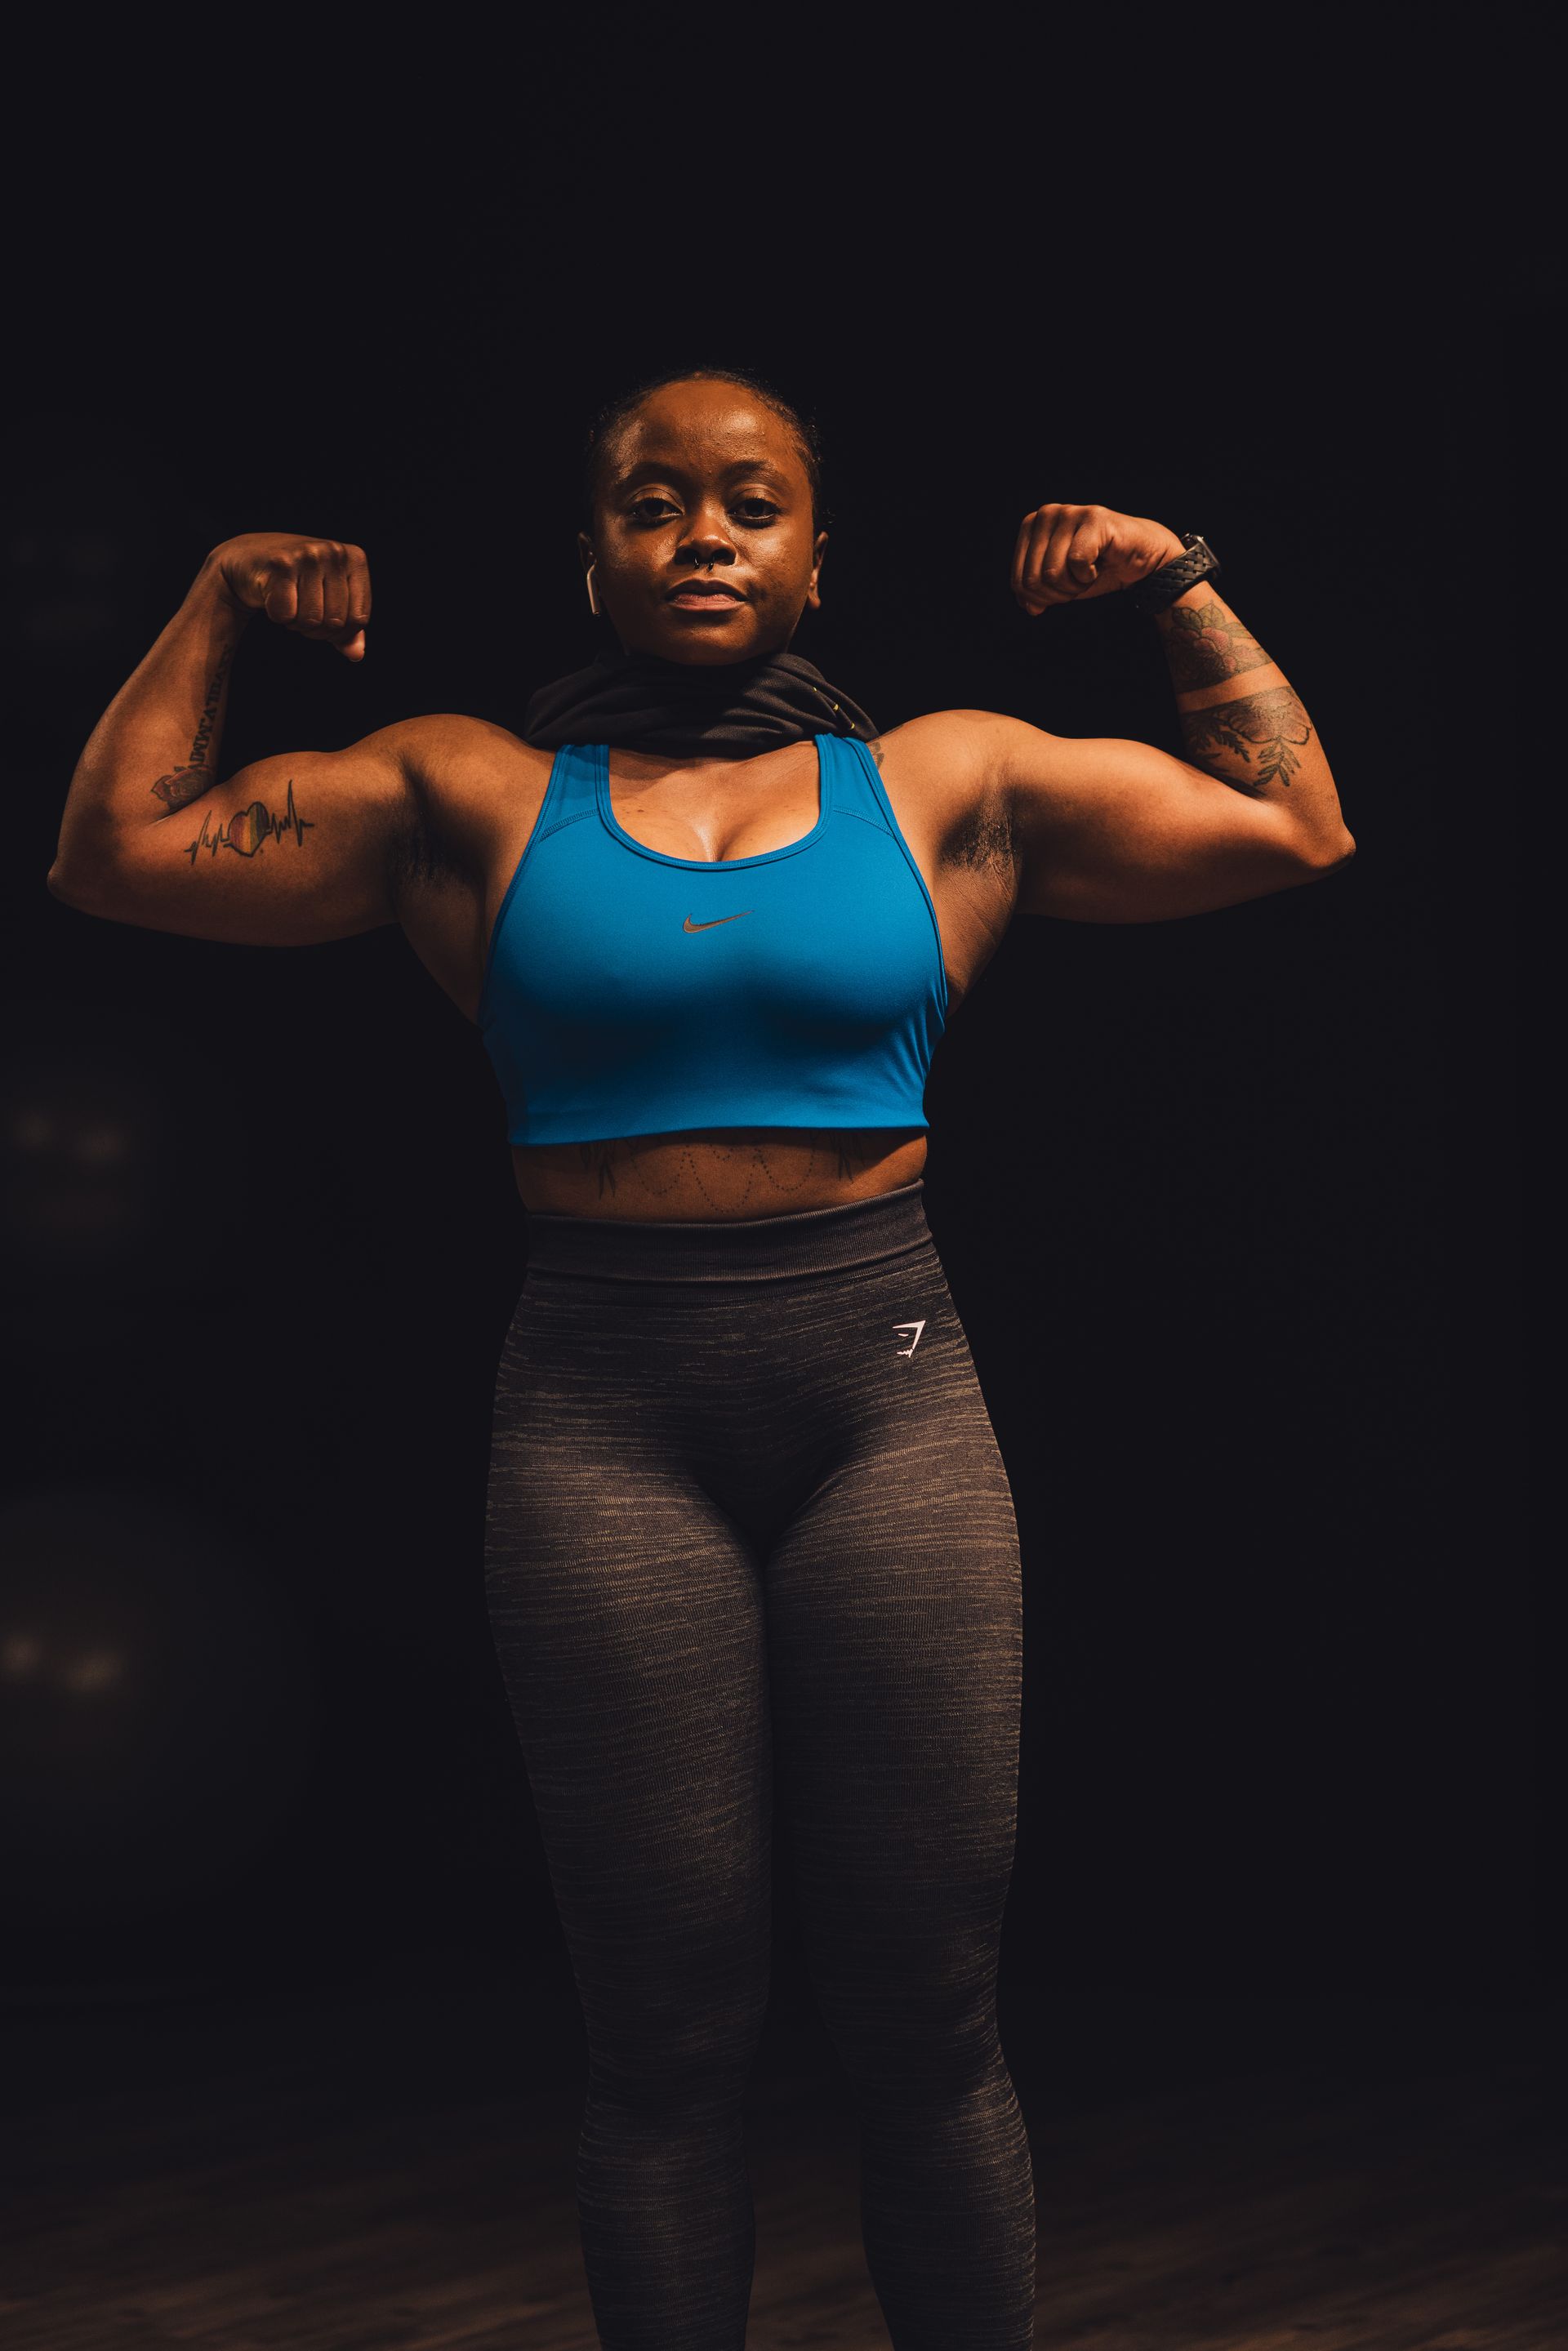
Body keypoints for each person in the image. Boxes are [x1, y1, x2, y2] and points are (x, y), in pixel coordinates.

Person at [47, 366, 1354, 2350]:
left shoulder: (947, 785)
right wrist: (220, 603)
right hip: (603, 1421)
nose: (704, 535)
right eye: (652, 504)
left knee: (929, 2018)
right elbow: (114, 855)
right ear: (592, 562)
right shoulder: (468, 795)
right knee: (662, 2036)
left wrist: (1176, 582)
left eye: (750, 502)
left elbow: (1297, 826)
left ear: (819, 560)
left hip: (886, 1400)